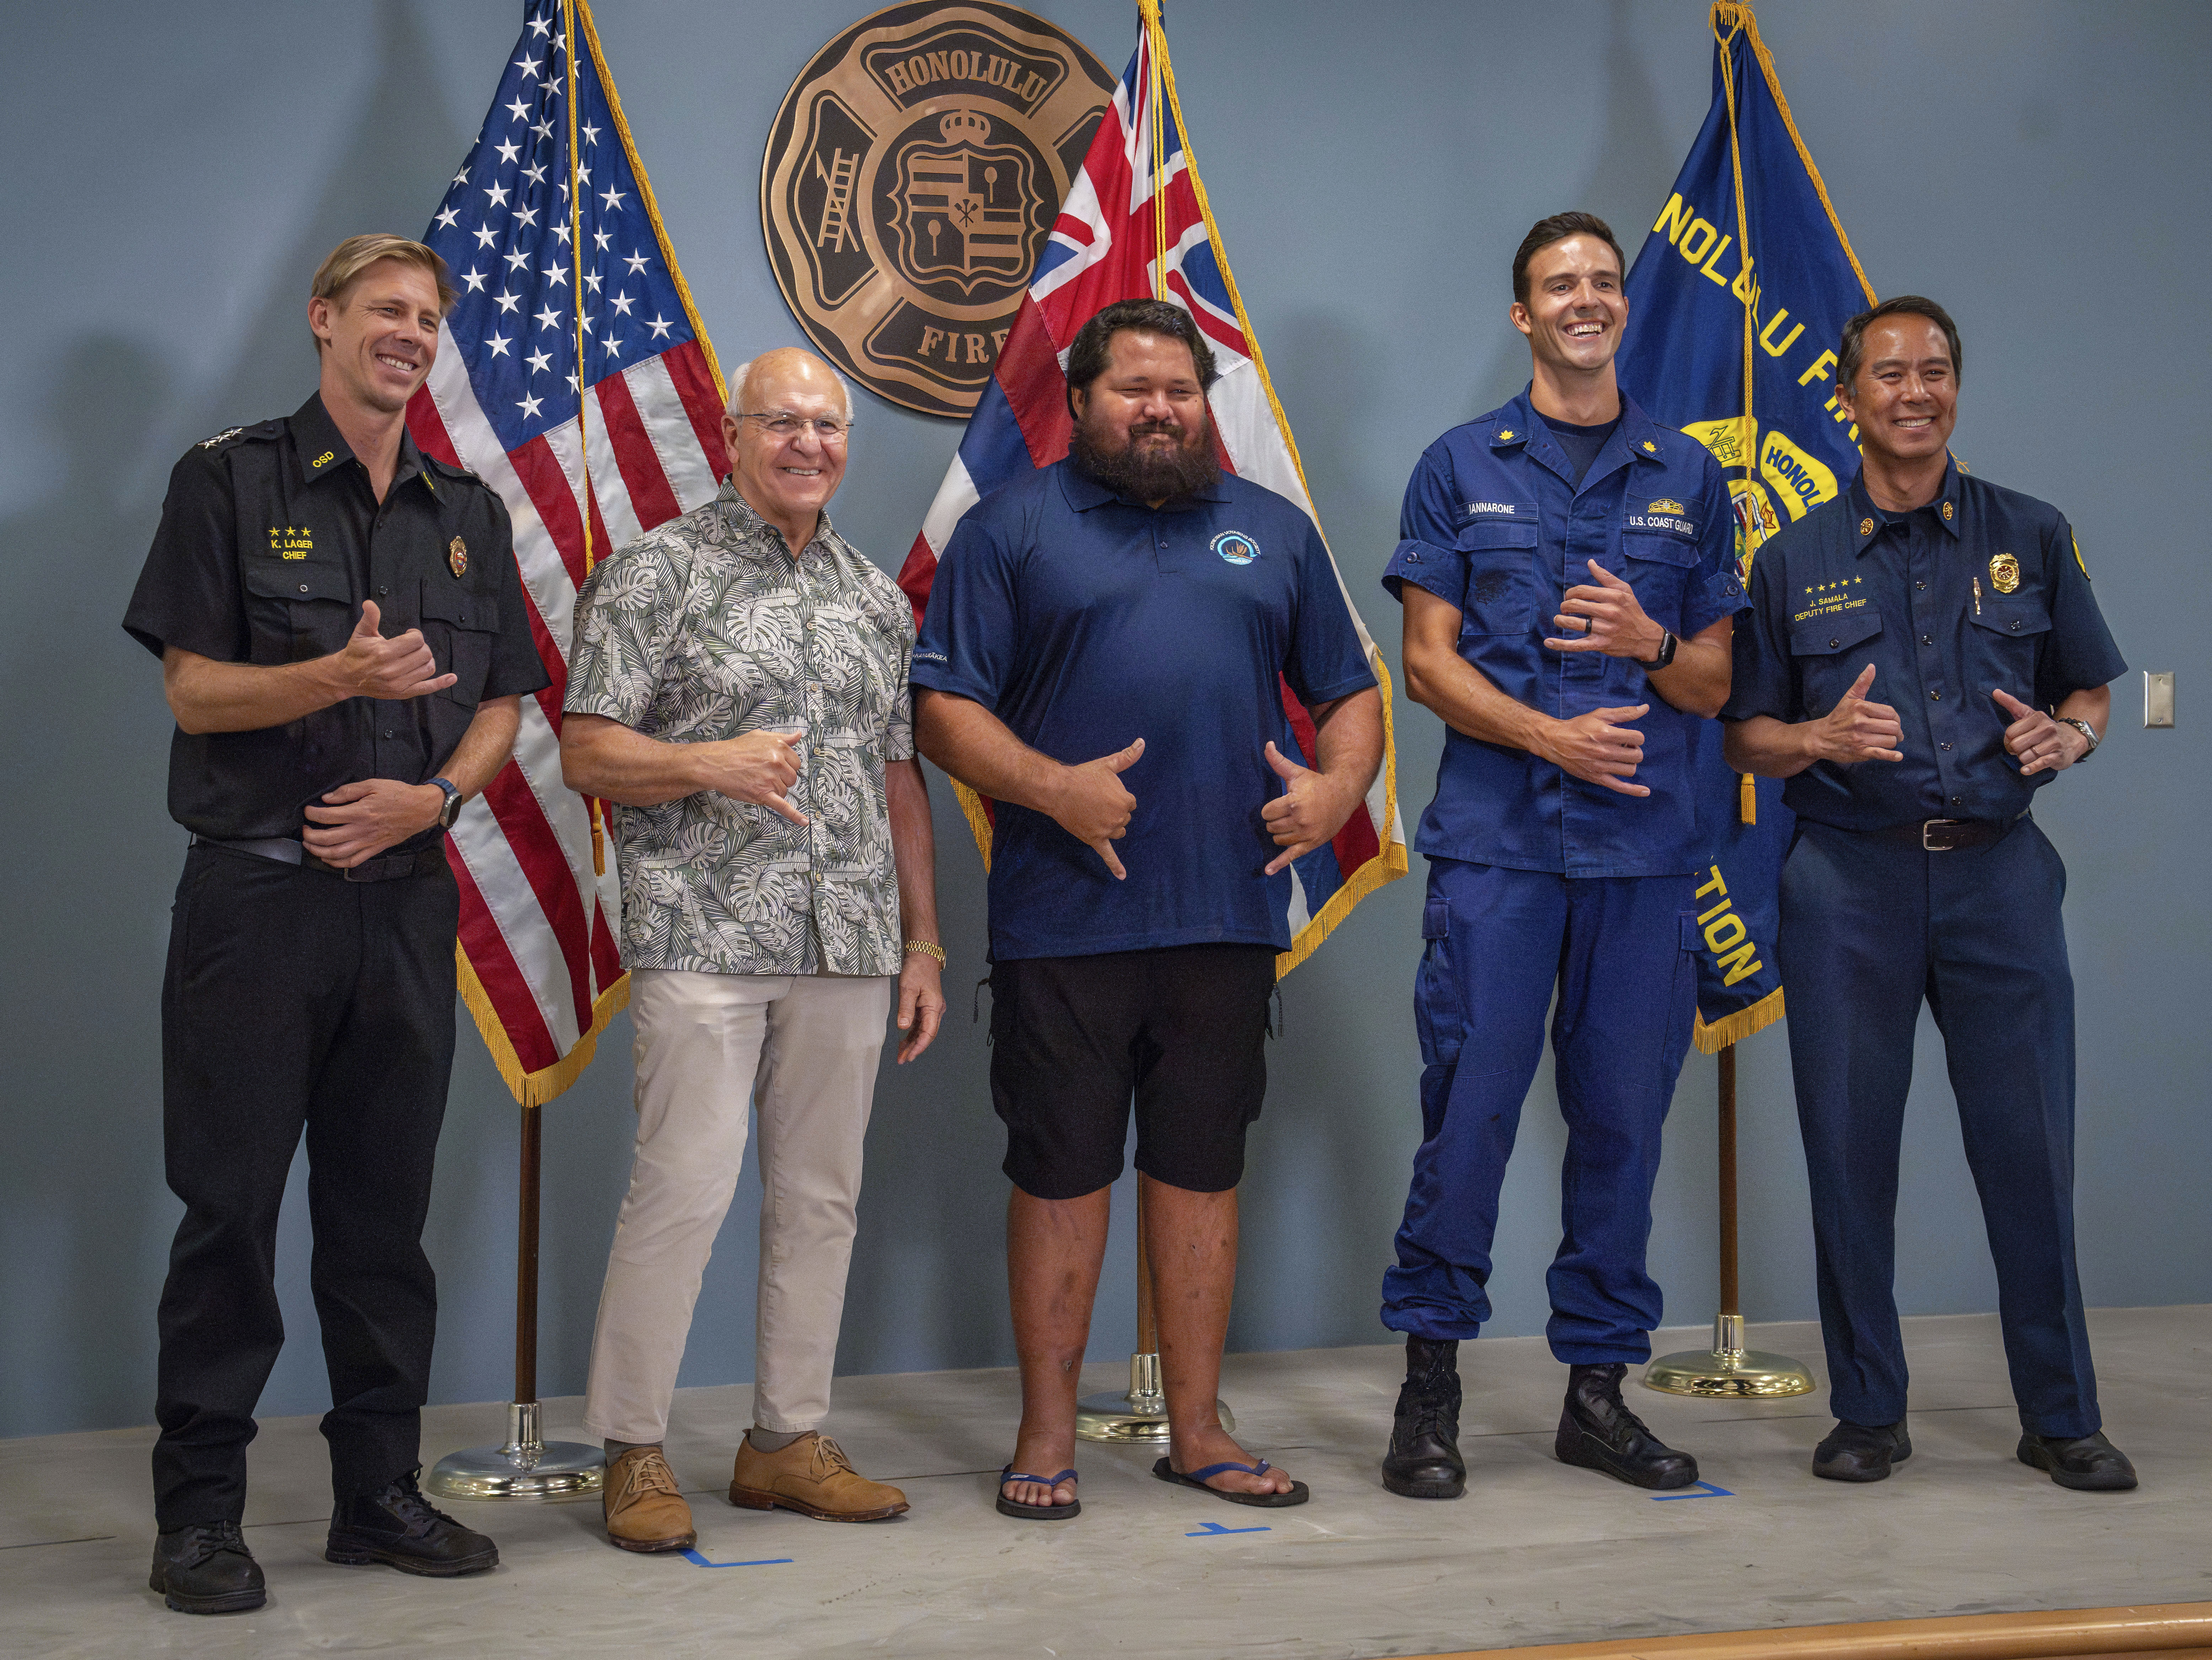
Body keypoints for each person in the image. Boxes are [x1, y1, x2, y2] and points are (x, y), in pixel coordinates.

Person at [122, 234, 547, 1613]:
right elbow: (191, 690)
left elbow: (502, 701)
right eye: (385, 310)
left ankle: (376, 1497)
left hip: (405, 905)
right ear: (324, 321)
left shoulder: (466, 510)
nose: (409, 334)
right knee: (229, 1217)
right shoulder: (227, 480)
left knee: (382, 1222)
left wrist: (431, 800)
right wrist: (336, 675)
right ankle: (198, 1519)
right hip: (259, 901)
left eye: (428, 317)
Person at [913, 298, 1382, 1519]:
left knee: (1201, 1172)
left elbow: (1351, 693)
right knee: (1062, 1175)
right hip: (1064, 923)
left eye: (1182, 389)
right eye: (1136, 388)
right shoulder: (1009, 530)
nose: (1163, 409)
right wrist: (1052, 789)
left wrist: (1337, 789)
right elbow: (941, 711)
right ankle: (1048, 1438)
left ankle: (1201, 1433)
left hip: (1224, 918)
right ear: (1079, 400)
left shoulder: (1271, 532)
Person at [1721, 297, 2132, 1491]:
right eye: (1890, 374)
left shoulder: (2032, 531)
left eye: (1937, 371)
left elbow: (2091, 690)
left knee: (2030, 1155)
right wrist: (1816, 738)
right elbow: (1745, 738)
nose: (1916, 392)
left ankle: (2060, 1418)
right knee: (1849, 1156)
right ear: (1847, 396)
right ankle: (1868, 1411)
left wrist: (2074, 739)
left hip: (2001, 883)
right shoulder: (1792, 558)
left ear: (1958, 386)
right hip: (1848, 884)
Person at [1376, 212, 1746, 1500]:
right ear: (1522, 315)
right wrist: (1549, 734)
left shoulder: (1689, 477)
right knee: (1466, 1120)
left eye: (1602, 282)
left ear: (1622, 307)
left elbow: (1714, 683)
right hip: (1500, 853)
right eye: (1557, 286)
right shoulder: (1459, 462)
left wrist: (1652, 638)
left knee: (1623, 1130)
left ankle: (1598, 1395)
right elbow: (1427, 665)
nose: (1583, 301)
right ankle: (1432, 1395)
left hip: (1643, 860)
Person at [560, 346, 946, 1552]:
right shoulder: (654, 574)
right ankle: (631, 1448)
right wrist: (703, 764)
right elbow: (584, 751)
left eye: (827, 425)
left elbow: (899, 776)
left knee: (823, 1198)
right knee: (683, 1187)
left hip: (851, 937)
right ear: (733, 437)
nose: (808, 444)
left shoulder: (876, 597)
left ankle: (786, 1441)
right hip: (703, 930)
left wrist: (925, 940)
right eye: (781, 422)